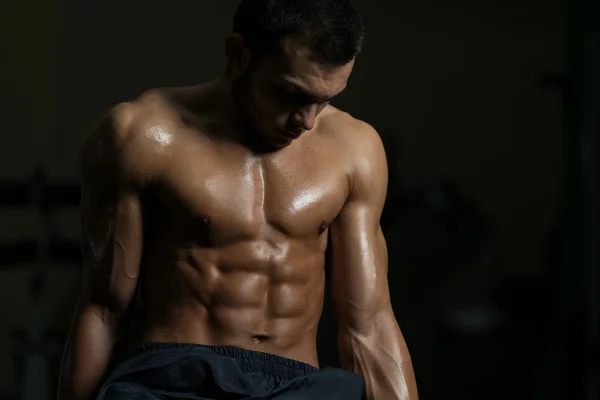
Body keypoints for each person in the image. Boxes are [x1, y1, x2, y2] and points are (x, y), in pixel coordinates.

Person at [58, 0, 418, 399]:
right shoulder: (141, 136)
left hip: (300, 386)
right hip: (174, 381)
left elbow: (368, 324)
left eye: (325, 100)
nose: (307, 121)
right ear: (238, 54)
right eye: (291, 94)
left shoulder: (355, 150)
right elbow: (105, 308)